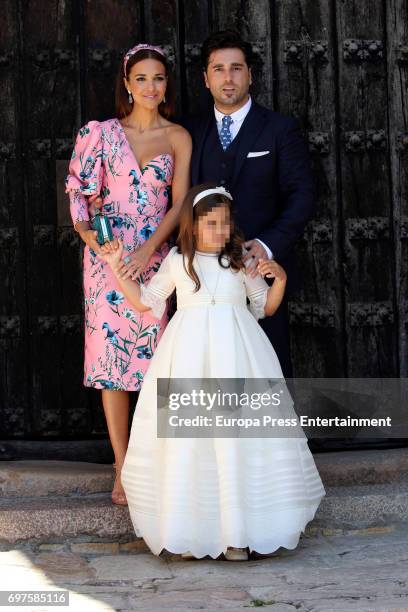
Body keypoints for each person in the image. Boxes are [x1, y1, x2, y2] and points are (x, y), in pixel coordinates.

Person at [102, 182, 326, 561]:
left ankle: (238, 535)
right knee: (191, 443)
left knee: (236, 440)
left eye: (225, 223)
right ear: (192, 226)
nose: (220, 231)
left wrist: (280, 281)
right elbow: (145, 301)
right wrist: (114, 264)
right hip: (188, 356)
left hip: (239, 355)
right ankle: (190, 532)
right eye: (211, 223)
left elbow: (263, 307)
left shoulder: (239, 260)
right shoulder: (177, 261)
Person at [65, 43, 192, 505]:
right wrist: (109, 253)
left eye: (158, 78)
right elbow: (79, 205)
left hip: (155, 261)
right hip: (107, 264)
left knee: (157, 363)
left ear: (166, 84)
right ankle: (121, 468)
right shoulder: (99, 134)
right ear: (127, 84)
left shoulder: (178, 136)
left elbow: (179, 204)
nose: (151, 87)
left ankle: (155, 463)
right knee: (112, 367)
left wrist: (148, 249)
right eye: (141, 78)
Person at [182, 30, 316, 378]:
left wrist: (268, 245)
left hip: (259, 271)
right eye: (219, 69)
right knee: (206, 367)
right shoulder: (187, 131)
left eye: (237, 68)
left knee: (266, 365)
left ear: (250, 75)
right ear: (206, 78)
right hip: (203, 277)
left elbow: (301, 195)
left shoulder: (279, 129)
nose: (228, 78)